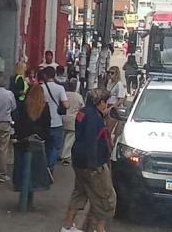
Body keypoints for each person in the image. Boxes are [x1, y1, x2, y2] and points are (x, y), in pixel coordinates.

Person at [61, 89, 116, 232]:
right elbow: (91, 141)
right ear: (101, 102)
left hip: (79, 160)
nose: (107, 105)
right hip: (93, 163)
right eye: (106, 102)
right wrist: (94, 165)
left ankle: (67, 226)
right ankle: (100, 228)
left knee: (80, 192)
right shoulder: (94, 118)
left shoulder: (83, 112)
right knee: (106, 197)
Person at [42, 66, 70, 169]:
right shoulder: (60, 88)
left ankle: (45, 166)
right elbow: (66, 105)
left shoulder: (41, 88)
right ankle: (50, 167)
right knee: (55, 147)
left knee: (46, 146)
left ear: (45, 75)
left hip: (44, 122)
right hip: (57, 121)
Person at [61, 81, 86, 165]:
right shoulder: (78, 96)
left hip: (63, 118)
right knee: (70, 139)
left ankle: (60, 153)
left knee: (63, 137)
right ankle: (66, 156)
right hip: (73, 119)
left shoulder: (64, 94)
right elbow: (82, 108)